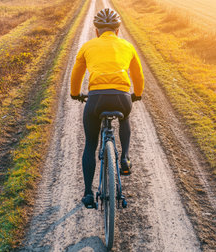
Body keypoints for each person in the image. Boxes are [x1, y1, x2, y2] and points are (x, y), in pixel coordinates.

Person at [70, 8, 145, 208]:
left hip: (96, 99)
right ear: (117, 30)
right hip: (121, 98)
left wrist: (75, 93)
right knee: (125, 117)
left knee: (90, 144)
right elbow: (138, 75)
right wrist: (136, 94)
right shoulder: (127, 46)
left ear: (96, 31)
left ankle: (87, 193)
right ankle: (125, 159)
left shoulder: (88, 46)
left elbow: (76, 74)